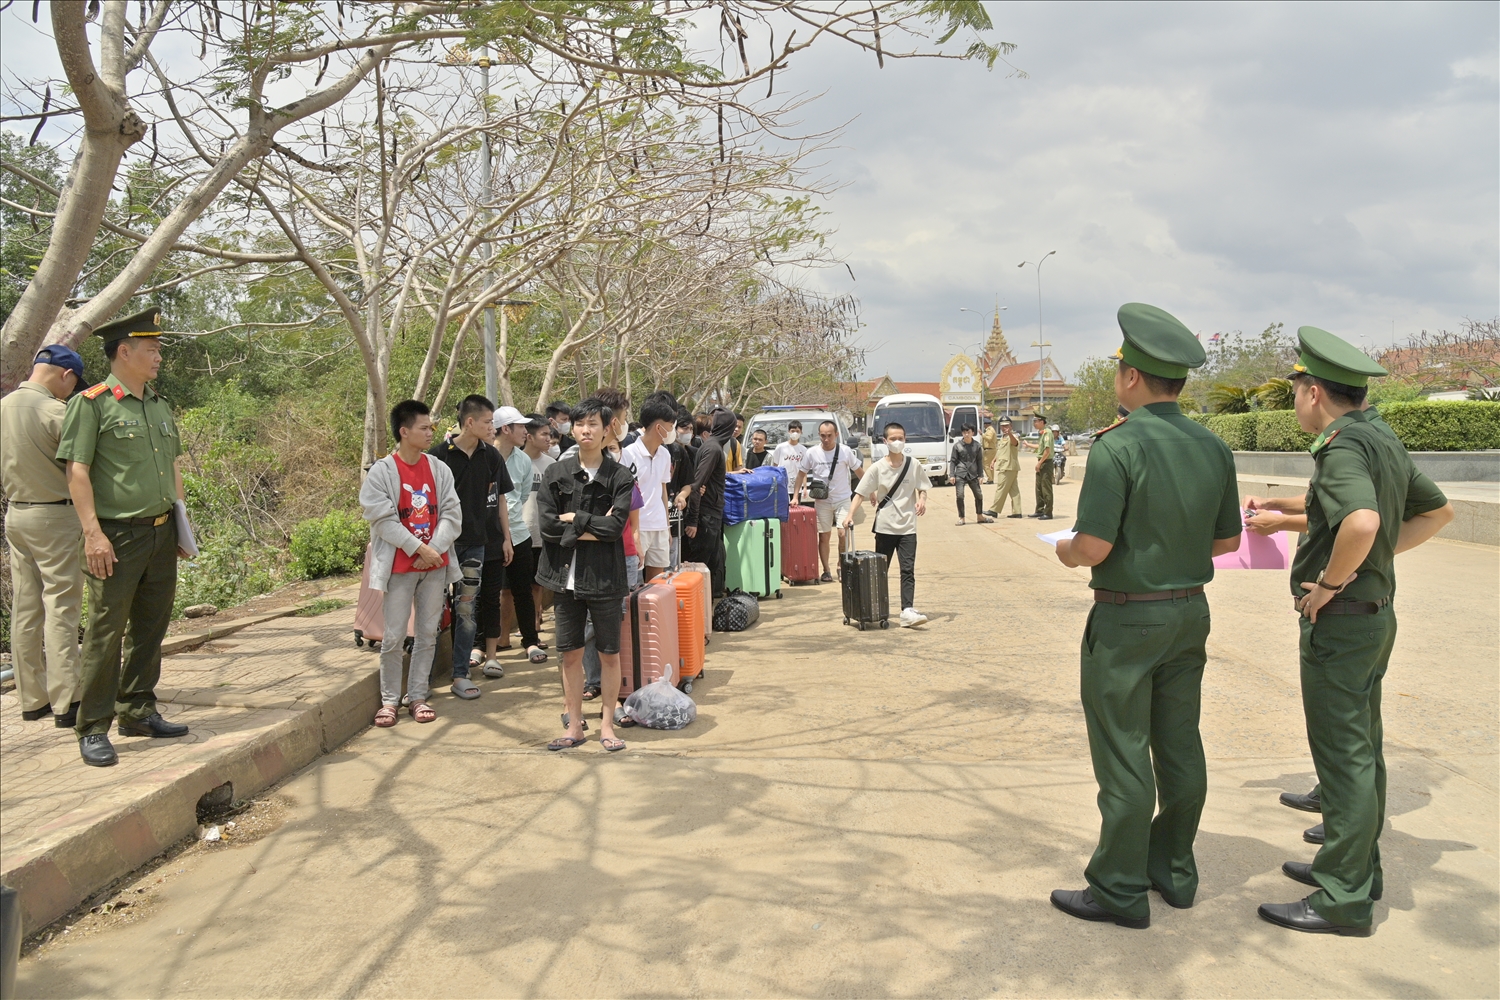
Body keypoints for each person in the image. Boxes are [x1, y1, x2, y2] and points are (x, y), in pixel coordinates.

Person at [1046, 302, 1242, 929]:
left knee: (1124, 752)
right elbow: (1226, 543)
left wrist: (1066, 551)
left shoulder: (1118, 446)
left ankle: (1119, 887)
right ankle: (1173, 872)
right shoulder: (1213, 447)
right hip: (1190, 613)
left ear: (1131, 376)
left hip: (1129, 621)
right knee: (1180, 745)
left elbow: (1094, 548)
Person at [1253, 327, 1452, 937]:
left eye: (1295, 392)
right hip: (1374, 618)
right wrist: (1374, 567)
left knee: (1343, 758)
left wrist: (1333, 583)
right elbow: (1437, 511)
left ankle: (1343, 899)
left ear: (1314, 392)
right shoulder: (1380, 437)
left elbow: (1362, 522)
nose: (1294, 403)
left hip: (1341, 623)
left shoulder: (1341, 446)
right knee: (1362, 751)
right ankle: (1356, 869)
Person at [56, 309, 193, 767]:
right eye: (151, 350)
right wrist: (93, 535)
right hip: (114, 537)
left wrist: (181, 526)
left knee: (151, 628)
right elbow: (77, 472)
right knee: (104, 633)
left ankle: (137, 710)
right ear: (123, 352)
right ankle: (93, 727)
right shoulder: (91, 403)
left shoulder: (158, 404)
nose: (158, 357)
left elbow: (172, 468)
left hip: (160, 533)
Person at [535, 397, 635, 753]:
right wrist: (593, 524)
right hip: (564, 579)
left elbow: (616, 527)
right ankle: (574, 725)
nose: (585, 430)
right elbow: (546, 525)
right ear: (571, 428)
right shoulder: (556, 473)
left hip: (605, 577)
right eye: (579, 424)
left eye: (593, 424)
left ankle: (607, 726)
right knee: (571, 654)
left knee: (609, 654)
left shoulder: (620, 476)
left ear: (607, 429)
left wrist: (572, 520)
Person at [362, 401, 463, 727]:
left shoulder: (438, 468)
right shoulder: (381, 472)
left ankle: (418, 696)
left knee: (427, 634)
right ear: (404, 432)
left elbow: (452, 514)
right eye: (424, 427)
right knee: (392, 637)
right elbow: (382, 521)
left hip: (434, 568)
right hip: (400, 570)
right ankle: (389, 700)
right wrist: (419, 547)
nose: (430, 432)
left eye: (431, 427)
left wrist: (433, 550)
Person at [1, 345, 85, 728]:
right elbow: (83, 467)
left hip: (16, 514)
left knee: (26, 606)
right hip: (55, 515)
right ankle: (68, 699)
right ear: (65, 375)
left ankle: (31, 700)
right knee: (61, 605)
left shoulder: (2, 407)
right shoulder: (57, 412)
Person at [428, 395, 513, 700]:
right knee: (432, 610)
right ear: (470, 422)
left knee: (466, 609)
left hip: (476, 545)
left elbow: (501, 499)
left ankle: (460, 673)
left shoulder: (491, 457)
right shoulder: (437, 457)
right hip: (439, 547)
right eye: (489, 422)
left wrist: (506, 537)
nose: (493, 427)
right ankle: (420, 681)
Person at [844, 422, 930, 627]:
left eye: (900, 438)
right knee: (880, 571)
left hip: (908, 527)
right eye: (893, 438)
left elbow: (923, 487)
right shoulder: (877, 468)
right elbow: (860, 493)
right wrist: (849, 515)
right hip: (885, 527)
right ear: (885, 441)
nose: (897, 442)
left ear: (905, 439)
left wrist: (922, 500)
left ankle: (907, 610)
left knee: (907, 569)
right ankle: (877, 609)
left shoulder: (913, 464)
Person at [492, 406, 546, 666]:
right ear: (505, 429)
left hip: (519, 533)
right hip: (489, 536)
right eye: (521, 427)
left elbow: (522, 496)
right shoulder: (486, 457)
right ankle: (484, 644)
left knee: (523, 590)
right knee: (489, 593)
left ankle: (530, 641)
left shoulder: (523, 460)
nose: (526, 431)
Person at [792, 419, 865, 583]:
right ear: (819, 435)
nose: (826, 439)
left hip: (843, 499)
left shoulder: (845, 452)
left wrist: (870, 491)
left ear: (836, 435)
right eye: (823, 436)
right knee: (824, 537)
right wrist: (796, 496)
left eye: (829, 436)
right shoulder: (811, 453)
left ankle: (841, 566)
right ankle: (826, 570)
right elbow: (801, 475)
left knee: (843, 533)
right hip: (822, 501)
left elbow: (860, 472)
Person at [624, 393, 677, 580]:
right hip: (638, 528)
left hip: (659, 526)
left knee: (657, 584)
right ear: (659, 427)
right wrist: (633, 532)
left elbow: (662, 491)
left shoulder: (665, 454)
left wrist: (667, 527)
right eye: (670, 427)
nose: (672, 431)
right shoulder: (628, 454)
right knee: (634, 583)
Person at [683, 408, 735, 598]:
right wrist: (693, 520)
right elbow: (697, 484)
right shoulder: (713, 449)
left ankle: (705, 614)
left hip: (710, 514)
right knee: (700, 569)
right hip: (705, 517)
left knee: (711, 566)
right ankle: (696, 615)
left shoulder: (712, 446)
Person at [520, 416, 555, 641]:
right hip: (519, 535)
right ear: (529, 436)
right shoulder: (514, 461)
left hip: (544, 535)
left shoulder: (552, 465)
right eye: (544, 434)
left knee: (537, 584)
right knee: (511, 588)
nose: (549, 439)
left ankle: (535, 623)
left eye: (550, 434)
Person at [949, 424, 990, 526]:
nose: (966, 434)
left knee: (979, 495)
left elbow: (980, 461)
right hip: (960, 473)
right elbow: (953, 461)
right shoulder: (957, 446)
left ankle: (980, 516)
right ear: (962, 433)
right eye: (964, 432)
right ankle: (961, 518)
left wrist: (981, 475)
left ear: (973, 433)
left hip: (973, 474)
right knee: (960, 495)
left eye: (968, 432)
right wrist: (951, 475)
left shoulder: (977, 446)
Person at [983, 418, 1024, 519]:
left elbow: (1015, 443)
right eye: (1003, 426)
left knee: (1000, 488)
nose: (1004, 428)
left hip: (1008, 467)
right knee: (1014, 490)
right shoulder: (1003, 437)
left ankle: (994, 510)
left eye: (1007, 425)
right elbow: (1000, 450)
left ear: (1011, 426)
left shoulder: (1012, 436)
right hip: (1007, 466)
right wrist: (993, 460)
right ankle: (1017, 511)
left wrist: (1010, 433)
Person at [772, 420, 809, 502]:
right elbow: (775, 466)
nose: (795, 433)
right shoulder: (780, 447)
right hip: (782, 485)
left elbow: (804, 471)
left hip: (796, 488)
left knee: (795, 509)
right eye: (793, 431)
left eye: (797, 431)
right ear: (789, 432)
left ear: (801, 432)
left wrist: (805, 487)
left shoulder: (803, 450)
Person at [1026, 416, 1054, 520]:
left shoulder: (1047, 433)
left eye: (1036, 421)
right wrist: (1028, 444)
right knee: (1039, 488)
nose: (1034, 423)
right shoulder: (1042, 433)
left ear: (1042, 422)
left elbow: (1047, 451)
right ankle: (1040, 510)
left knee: (1046, 488)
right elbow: (1040, 447)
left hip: (1046, 463)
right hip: (1042, 462)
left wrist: (1039, 463)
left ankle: (1048, 512)